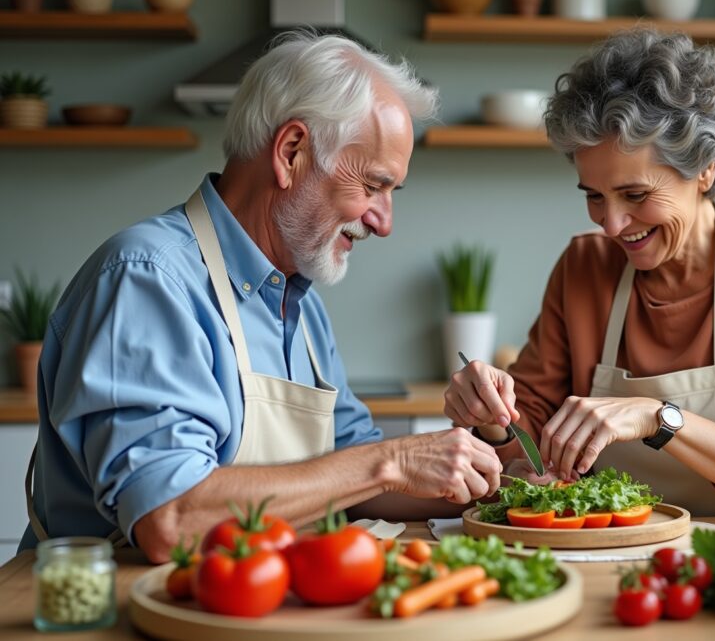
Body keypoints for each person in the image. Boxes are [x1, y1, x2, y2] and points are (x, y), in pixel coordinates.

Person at [21, 31, 502, 563]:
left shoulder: (300, 303)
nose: (383, 222)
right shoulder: (149, 279)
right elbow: (169, 518)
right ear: (291, 152)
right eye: (372, 185)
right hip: (117, 600)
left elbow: (354, 479)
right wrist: (391, 462)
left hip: (245, 596)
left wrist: (488, 472)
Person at [443, 29, 715, 516]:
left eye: (636, 195)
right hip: (608, 548)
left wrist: (660, 418)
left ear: (705, 169)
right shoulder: (584, 265)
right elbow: (530, 449)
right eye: (594, 196)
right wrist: (494, 421)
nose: (611, 225)